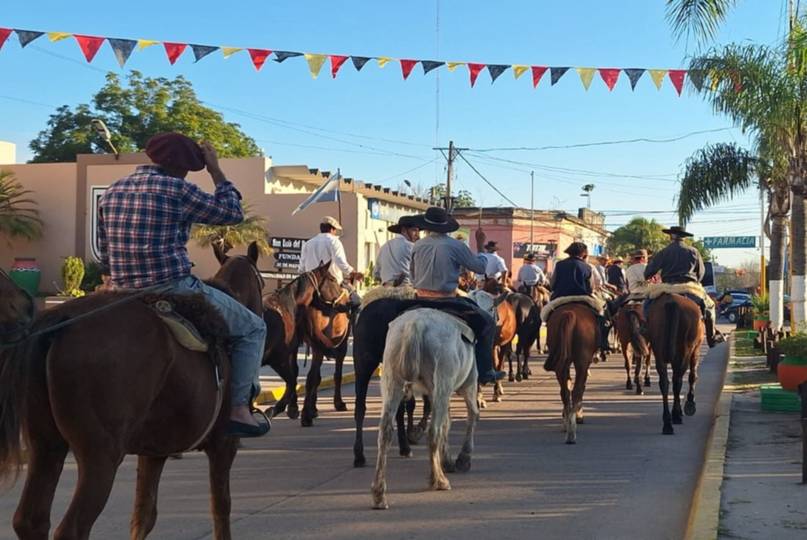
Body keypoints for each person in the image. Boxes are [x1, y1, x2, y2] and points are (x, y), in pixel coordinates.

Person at [98, 132, 269, 438]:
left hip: (120, 293)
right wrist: (216, 170)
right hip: (172, 287)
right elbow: (232, 213)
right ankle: (240, 410)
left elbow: (105, 252)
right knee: (254, 328)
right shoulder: (178, 189)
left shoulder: (113, 191)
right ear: (183, 167)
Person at [644, 225, 724, 347]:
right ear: (684, 238)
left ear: (671, 236)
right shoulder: (694, 252)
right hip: (688, 287)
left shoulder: (664, 252)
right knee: (710, 306)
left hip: (666, 286)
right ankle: (711, 336)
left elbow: (649, 272)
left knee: (648, 303)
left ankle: (645, 328)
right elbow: (701, 273)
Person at [549, 242, 611, 352]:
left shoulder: (559, 264)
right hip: (583, 298)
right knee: (602, 314)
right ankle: (601, 341)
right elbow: (591, 287)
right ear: (583, 254)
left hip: (560, 297)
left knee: (546, 314)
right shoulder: (587, 267)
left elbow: (552, 284)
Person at [298, 216, 363, 305]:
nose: (336, 232)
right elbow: (341, 262)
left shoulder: (308, 243)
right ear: (332, 229)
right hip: (332, 284)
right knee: (358, 303)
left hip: (310, 284)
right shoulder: (334, 242)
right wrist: (353, 273)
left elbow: (301, 268)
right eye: (335, 230)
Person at [374, 215, 419, 286]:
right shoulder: (412, 247)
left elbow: (376, 274)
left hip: (386, 290)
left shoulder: (384, 246)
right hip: (406, 290)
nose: (417, 234)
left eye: (417, 231)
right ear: (404, 230)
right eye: (414, 230)